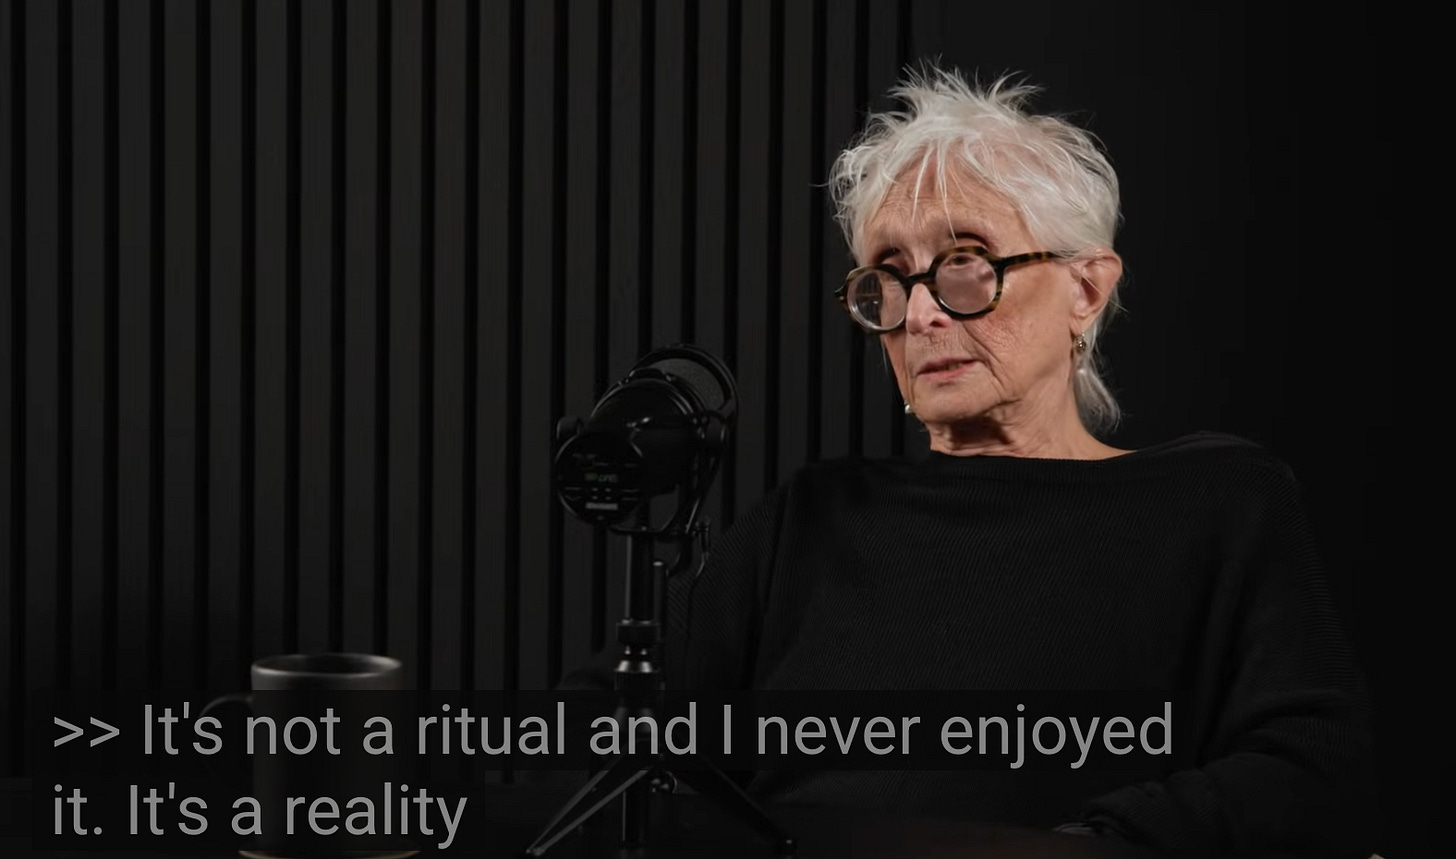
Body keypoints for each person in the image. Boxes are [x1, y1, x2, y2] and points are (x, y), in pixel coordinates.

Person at [569, 67, 1376, 858]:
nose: (920, 313)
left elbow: (1310, 762)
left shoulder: (1213, 501)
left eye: (966, 263)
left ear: (1086, 289)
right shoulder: (810, 520)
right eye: (888, 278)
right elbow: (592, 724)